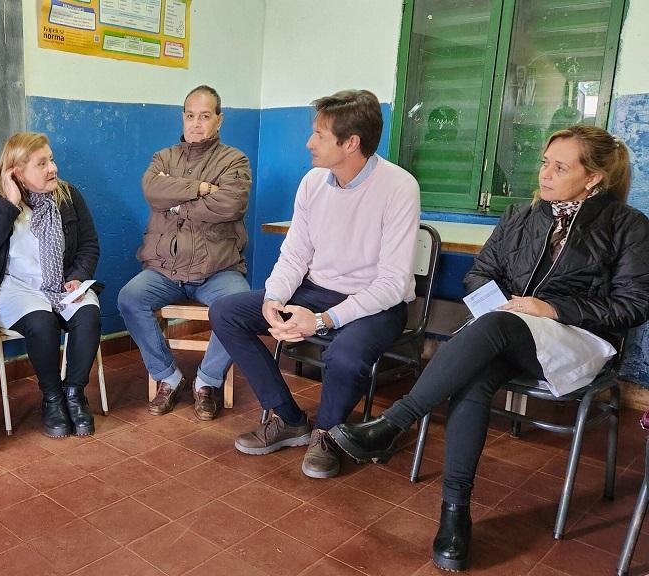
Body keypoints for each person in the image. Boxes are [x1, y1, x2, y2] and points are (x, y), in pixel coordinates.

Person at [330, 125, 649, 572]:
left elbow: (632, 306)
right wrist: (501, 305)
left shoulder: (627, 226)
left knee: (495, 329)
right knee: (476, 377)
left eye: (561, 167)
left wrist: (553, 309)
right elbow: (479, 275)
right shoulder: (521, 216)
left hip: (578, 340)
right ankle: (455, 514)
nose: (546, 174)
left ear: (593, 177)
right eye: (544, 162)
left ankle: (395, 422)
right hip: (506, 334)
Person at [210, 89, 420, 479]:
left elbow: (392, 283)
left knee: (343, 354)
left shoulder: (399, 187)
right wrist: (274, 297)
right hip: (317, 290)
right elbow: (295, 253)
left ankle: (327, 434)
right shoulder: (312, 183)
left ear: (351, 142)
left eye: (320, 135)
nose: (309, 143)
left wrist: (323, 321)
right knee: (226, 312)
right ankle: (289, 419)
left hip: (377, 304)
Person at [118, 85, 252, 421]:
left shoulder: (235, 160)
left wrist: (176, 203)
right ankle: (169, 377)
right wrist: (201, 189)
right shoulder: (163, 157)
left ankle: (207, 382)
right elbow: (152, 190)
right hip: (165, 268)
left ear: (219, 120)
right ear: (183, 117)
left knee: (238, 306)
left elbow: (230, 204)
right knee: (130, 298)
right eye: (190, 115)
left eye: (205, 116)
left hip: (218, 269)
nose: (196, 123)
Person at [0, 132, 101, 437]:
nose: (52, 168)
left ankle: (74, 394)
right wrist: (11, 203)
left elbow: (89, 245)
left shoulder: (68, 197)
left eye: (51, 159)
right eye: (42, 163)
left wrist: (78, 276)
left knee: (89, 314)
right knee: (42, 323)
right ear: (17, 172)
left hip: (62, 284)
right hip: (15, 289)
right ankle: (52, 399)